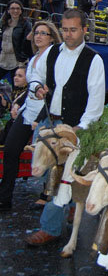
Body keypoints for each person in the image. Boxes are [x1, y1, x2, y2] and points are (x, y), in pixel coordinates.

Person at [25, 9, 105, 246]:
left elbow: (96, 101)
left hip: (73, 127)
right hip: (49, 121)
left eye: (73, 30)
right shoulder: (51, 52)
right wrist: (38, 88)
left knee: (59, 177)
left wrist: (79, 129)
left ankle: (49, 227)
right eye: (65, 29)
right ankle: (68, 206)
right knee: (46, 171)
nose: (68, 35)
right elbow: (35, 78)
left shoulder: (94, 60)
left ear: (84, 30)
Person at [0, 21, 61, 211]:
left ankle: (47, 194)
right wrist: (18, 103)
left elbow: (52, 87)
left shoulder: (53, 56)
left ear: (52, 37)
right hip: (28, 110)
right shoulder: (35, 56)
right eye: (36, 32)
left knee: (47, 155)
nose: (38, 36)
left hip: (44, 112)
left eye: (44, 33)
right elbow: (31, 86)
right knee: (11, 149)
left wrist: (40, 117)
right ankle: (5, 196)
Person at [0, 0, 32, 82]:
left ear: (21, 11)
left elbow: (27, 43)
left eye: (18, 8)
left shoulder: (26, 24)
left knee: (17, 85)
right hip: (3, 58)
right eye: (12, 8)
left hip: (17, 60)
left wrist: (23, 58)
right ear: (8, 10)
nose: (15, 11)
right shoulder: (4, 23)